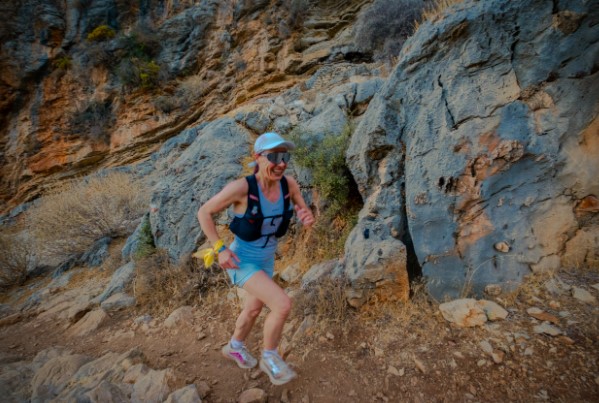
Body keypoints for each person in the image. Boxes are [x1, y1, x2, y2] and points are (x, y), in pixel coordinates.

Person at [197, 132, 315, 385]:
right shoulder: (242, 188)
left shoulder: (289, 185)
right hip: (241, 260)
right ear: (258, 158)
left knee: (253, 309)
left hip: (266, 259)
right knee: (282, 304)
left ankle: (234, 346)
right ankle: (270, 357)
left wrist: (306, 216)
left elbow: (302, 208)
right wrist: (220, 249)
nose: (281, 163)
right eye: (273, 156)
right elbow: (204, 212)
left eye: (284, 156)